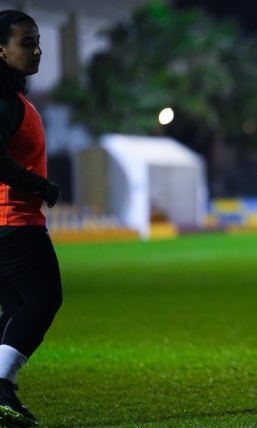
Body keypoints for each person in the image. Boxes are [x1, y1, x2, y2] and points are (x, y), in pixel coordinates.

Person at [0, 10, 62, 428]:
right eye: (26, 42)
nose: (36, 49)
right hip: (15, 223)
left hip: (9, 223)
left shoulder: (12, 96)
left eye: (37, 41)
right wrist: (40, 186)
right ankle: (1, 386)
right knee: (43, 299)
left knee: (17, 307)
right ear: (0, 50)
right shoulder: (3, 100)